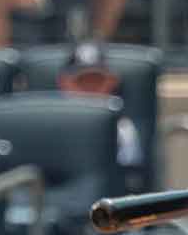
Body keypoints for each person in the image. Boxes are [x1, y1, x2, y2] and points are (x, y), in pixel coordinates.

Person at [58, 41, 145, 193]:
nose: (90, 90)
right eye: (82, 82)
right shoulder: (48, 124)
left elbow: (130, 183)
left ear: (111, 82)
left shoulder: (122, 129)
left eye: (97, 81)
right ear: (64, 83)